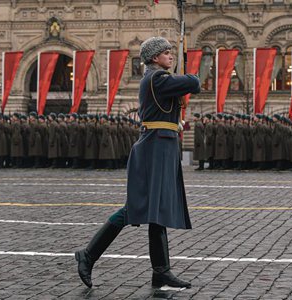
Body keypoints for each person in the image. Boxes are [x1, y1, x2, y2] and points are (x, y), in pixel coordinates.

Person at [74, 36, 201, 289]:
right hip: (154, 147)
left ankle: (161, 272)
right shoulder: (157, 78)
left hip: (161, 146)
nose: (170, 56)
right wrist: (186, 73)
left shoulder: (159, 78)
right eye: (166, 53)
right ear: (154, 58)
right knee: (135, 209)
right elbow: (194, 82)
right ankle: (88, 255)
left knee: (158, 209)